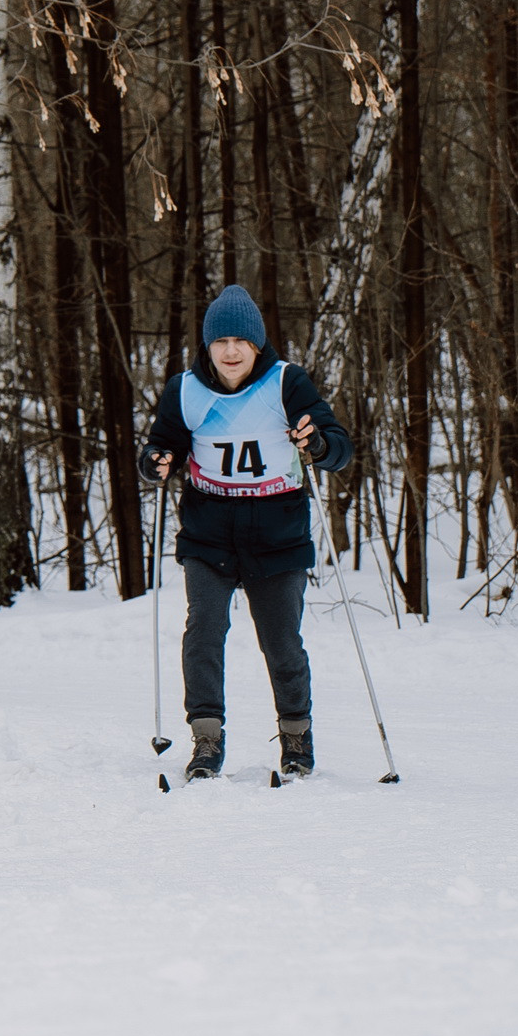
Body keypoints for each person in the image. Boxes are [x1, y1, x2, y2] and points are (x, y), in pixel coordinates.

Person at [137, 284, 352, 781]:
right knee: (204, 634)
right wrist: (155, 463)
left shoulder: (286, 383)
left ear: (257, 345)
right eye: (221, 341)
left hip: (277, 535)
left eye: (241, 341)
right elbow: (159, 447)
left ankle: (296, 736)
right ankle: (206, 740)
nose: (231, 352)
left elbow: (339, 446)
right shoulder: (184, 390)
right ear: (208, 346)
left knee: (281, 642)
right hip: (208, 533)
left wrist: (317, 443)